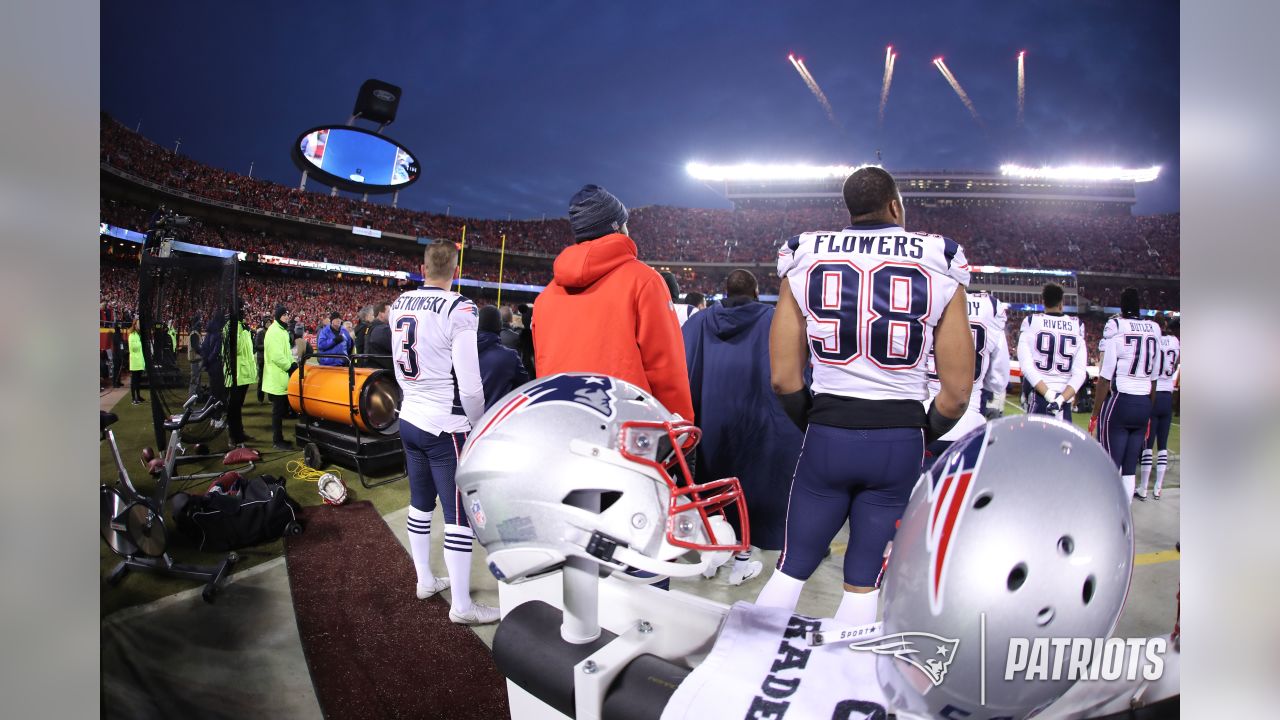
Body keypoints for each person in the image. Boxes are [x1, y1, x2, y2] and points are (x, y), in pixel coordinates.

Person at [755, 166, 974, 627]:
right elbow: (955, 394)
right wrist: (916, 430)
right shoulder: (939, 257)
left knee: (792, 566)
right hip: (899, 441)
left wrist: (819, 420)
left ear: (850, 209)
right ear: (895, 205)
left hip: (827, 434)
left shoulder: (805, 253)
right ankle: (846, 685)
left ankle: (744, 669)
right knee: (864, 576)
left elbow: (783, 377)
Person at [390, 240, 495, 625]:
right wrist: (479, 423)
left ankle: (424, 579)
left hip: (410, 417)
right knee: (457, 516)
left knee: (420, 503)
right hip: (444, 424)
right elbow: (469, 384)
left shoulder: (400, 302)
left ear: (422, 267)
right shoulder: (460, 307)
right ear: (455, 268)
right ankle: (463, 606)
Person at [533, 185, 694, 421]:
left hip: (562, 426)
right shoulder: (645, 281)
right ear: (616, 226)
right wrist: (681, 428)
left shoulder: (545, 297)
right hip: (626, 431)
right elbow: (666, 370)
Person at [681, 269, 801, 585]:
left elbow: (681, 364)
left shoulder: (701, 321)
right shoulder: (774, 320)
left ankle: (711, 556)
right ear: (757, 291)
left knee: (713, 488)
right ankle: (742, 560)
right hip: (757, 422)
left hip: (712, 422)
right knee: (749, 492)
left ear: (724, 291)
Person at [1090, 287, 1162, 501]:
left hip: (1121, 401)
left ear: (1121, 307)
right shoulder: (1153, 330)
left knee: (1110, 465)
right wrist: (1148, 411)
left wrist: (1095, 414)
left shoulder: (1117, 327)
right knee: (1130, 469)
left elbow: (1104, 379)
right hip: (1144, 402)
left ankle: (1109, 516)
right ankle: (1126, 518)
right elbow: (1154, 380)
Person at [924, 287, 1010, 459]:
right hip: (969, 423)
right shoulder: (991, 308)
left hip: (922, 420)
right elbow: (998, 380)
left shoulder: (929, 293)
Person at [1016, 282, 1087, 422]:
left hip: (1040, 398)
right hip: (1064, 401)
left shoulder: (1032, 322)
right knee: (1062, 444)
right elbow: (1080, 373)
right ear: (1061, 303)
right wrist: (1059, 400)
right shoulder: (1076, 326)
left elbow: (1026, 367)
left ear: (1043, 302)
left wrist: (1049, 395)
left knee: (1034, 444)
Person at [1138, 316, 1180, 500]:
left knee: (1148, 444)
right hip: (1167, 395)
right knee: (1162, 445)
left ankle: (1144, 487)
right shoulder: (1176, 341)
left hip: (1154, 394)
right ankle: (1158, 487)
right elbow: (1176, 363)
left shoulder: (1153, 340)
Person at [476, 305, 529, 409]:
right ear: (499, 325)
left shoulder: (460, 351)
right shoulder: (510, 356)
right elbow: (525, 386)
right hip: (493, 420)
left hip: (462, 420)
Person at [222, 301, 258, 445]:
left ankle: (239, 432)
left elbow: (249, 352)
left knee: (238, 406)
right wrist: (243, 332)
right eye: (242, 309)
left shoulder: (242, 327)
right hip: (234, 374)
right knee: (233, 406)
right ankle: (232, 435)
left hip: (243, 374)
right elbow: (233, 350)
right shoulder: (230, 327)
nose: (244, 312)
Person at [262, 304, 297, 451]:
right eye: (284, 315)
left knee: (280, 411)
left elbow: (286, 353)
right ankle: (277, 441)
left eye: (287, 314)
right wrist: (289, 367)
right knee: (277, 412)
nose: (287, 317)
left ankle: (279, 438)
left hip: (281, 377)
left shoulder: (282, 330)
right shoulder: (274, 331)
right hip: (276, 377)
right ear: (278, 316)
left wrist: (293, 363)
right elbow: (276, 355)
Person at [363, 302, 393, 370]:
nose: (391, 314)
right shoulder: (382, 329)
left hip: (371, 366)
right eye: (389, 312)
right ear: (381, 314)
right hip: (382, 371)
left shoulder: (371, 326)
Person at [128, 318, 146, 405]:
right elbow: (133, 348)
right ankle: (133, 398)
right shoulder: (132, 335)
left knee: (138, 381)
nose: (139, 325)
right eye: (138, 324)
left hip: (140, 361)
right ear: (134, 325)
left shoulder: (139, 335)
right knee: (134, 381)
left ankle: (138, 396)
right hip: (135, 361)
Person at [252, 317, 267, 403]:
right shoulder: (260, 333)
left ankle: (270, 398)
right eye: (267, 322)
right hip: (261, 359)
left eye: (269, 322)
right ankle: (260, 398)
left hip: (269, 359)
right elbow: (256, 346)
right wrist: (266, 346)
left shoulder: (270, 333)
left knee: (270, 378)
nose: (268, 324)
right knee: (261, 379)